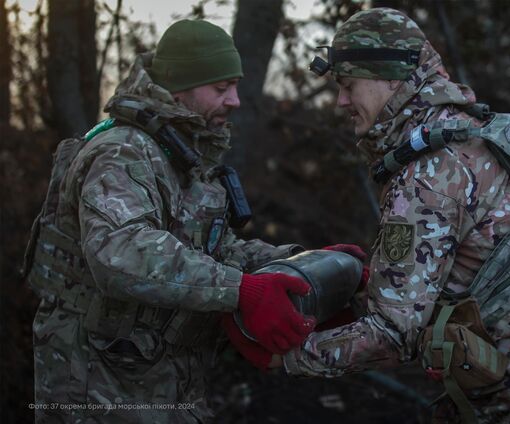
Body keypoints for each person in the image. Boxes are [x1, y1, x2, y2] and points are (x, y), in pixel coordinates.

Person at [226, 8, 510, 423]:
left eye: (348, 85)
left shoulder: (428, 172)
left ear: (391, 80)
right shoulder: (470, 130)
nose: (341, 101)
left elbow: (393, 334)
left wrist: (284, 358)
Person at [24, 19, 363, 423]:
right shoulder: (122, 153)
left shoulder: (183, 153)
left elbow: (213, 250)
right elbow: (120, 251)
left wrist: (300, 264)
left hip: (158, 379)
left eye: (235, 86)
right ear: (178, 87)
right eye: (221, 89)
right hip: (97, 384)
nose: (235, 100)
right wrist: (243, 290)